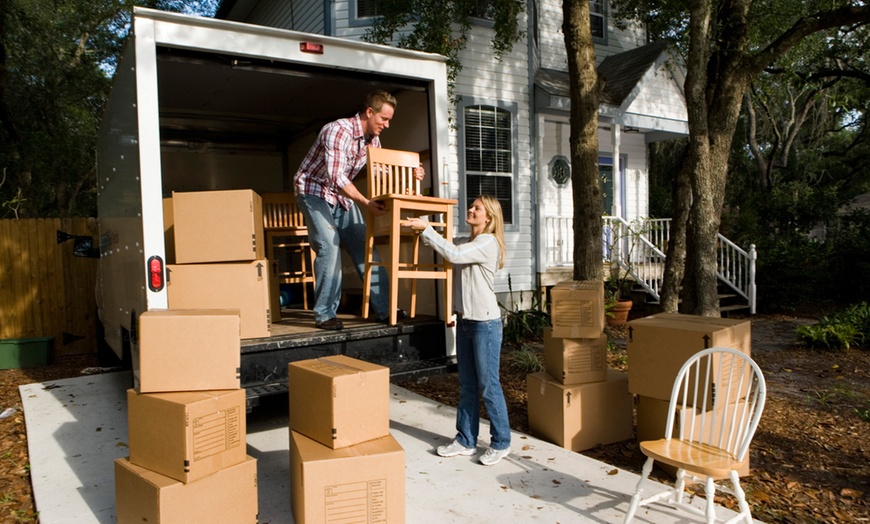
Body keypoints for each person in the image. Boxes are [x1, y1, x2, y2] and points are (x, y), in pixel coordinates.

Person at [294, 90, 423, 330]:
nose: (386, 125)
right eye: (383, 119)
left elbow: (381, 171)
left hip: (340, 197)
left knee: (366, 248)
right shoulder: (337, 130)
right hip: (313, 191)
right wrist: (365, 202)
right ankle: (325, 314)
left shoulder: (373, 140)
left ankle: (386, 309)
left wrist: (411, 177)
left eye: (389, 120)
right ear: (369, 112)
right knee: (329, 245)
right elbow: (335, 177)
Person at [404, 195, 511, 466]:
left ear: (489, 217)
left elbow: (453, 254)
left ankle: (501, 442)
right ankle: (465, 440)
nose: (471, 209)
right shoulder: (467, 241)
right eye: (471, 205)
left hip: (485, 323)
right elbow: (449, 248)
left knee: (488, 385)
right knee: (466, 385)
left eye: (477, 208)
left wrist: (427, 230)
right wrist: (423, 223)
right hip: (465, 321)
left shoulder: (488, 242)